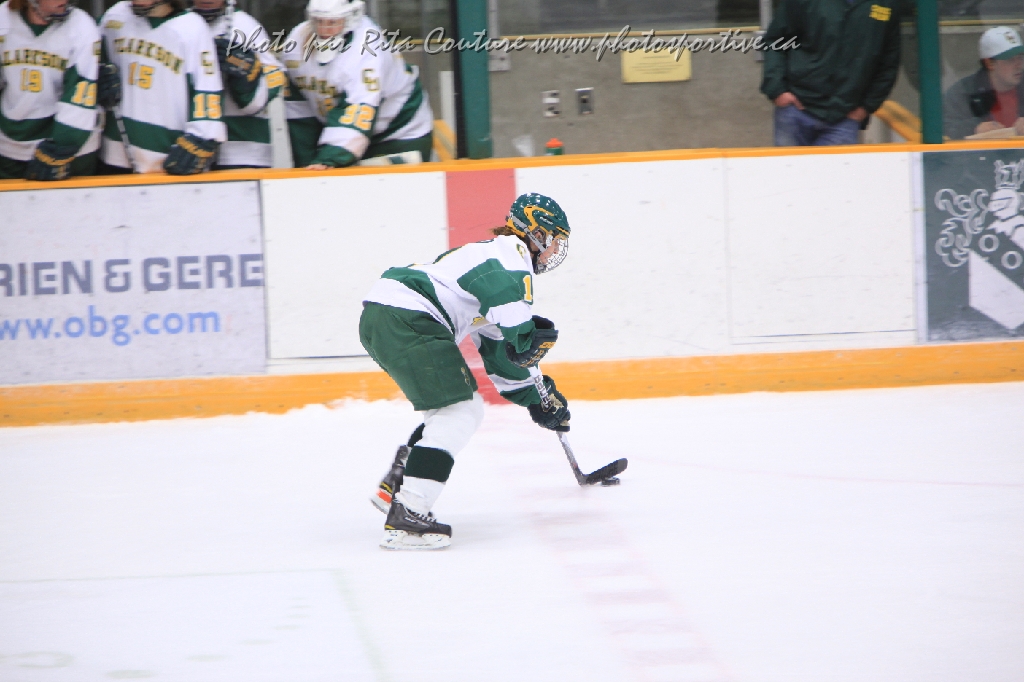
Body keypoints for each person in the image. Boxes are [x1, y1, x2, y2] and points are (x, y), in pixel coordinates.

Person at [360, 193, 572, 550]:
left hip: (386, 316)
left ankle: (397, 484)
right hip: (407, 318)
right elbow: (518, 335)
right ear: (536, 234)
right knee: (461, 411)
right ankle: (409, 514)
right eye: (554, 242)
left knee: (449, 411)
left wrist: (537, 398)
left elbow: (502, 355)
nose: (554, 252)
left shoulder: (493, 258)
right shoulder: (508, 261)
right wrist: (528, 340)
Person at [281, 0, 433, 169]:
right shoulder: (297, 41)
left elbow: (359, 109)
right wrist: (307, 161)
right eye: (318, 21)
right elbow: (298, 106)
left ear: (350, 18)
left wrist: (328, 159)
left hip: (398, 133)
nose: (324, 30)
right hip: (343, 131)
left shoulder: (368, 48)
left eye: (333, 22)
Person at [97, 0, 226, 174]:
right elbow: (89, 59)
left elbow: (207, 90)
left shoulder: (192, 27)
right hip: (115, 156)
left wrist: (201, 137)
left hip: (171, 158)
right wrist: (97, 79)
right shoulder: (115, 16)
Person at [760, 0, 904, 146]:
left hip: (845, 117)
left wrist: (865, 107)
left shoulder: (886, 4)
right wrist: (777, 90)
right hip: (795, 109)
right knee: (789, 162)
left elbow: (889, 63)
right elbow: (775, 41)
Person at [0, 0, 101, 180]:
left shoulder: (81, 26)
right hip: (10, 146)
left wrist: (62, 146)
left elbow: (81, 91)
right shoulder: (3, 19)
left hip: (70, 149)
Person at [190, 0, 285, 168]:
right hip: (190, 147)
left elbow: (275, 78)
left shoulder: (246, 26)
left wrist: (247, 79)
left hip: (244, 150)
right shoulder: (182, 25)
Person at [943, 26, 1024, 140]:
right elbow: (941, 127)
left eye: (1020, 58)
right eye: (1010, 60)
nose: (1019, 65)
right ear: (989, 63)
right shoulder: (962, 93)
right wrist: (974, 128)